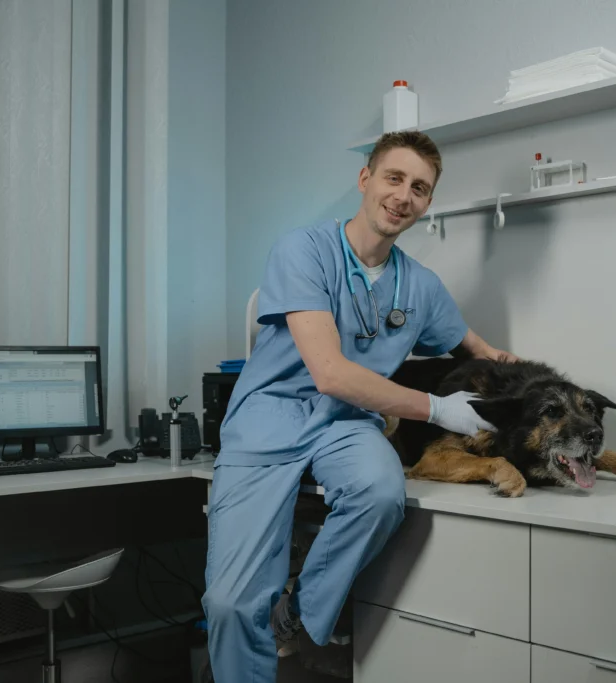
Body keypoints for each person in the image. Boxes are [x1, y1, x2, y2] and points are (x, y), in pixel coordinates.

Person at [202, 130, 517, 681]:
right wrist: (440, 410)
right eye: (394, 178)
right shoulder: (303, 250)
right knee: (231, 605)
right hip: (270, 417)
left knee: (379, 493)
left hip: (347, 426)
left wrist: (498, 360)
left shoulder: (419, 284)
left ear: (427, 203)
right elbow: (328, 372)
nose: (403, 196)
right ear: (365, 179)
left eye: (419, 188)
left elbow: (463, 338)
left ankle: (293, 616)